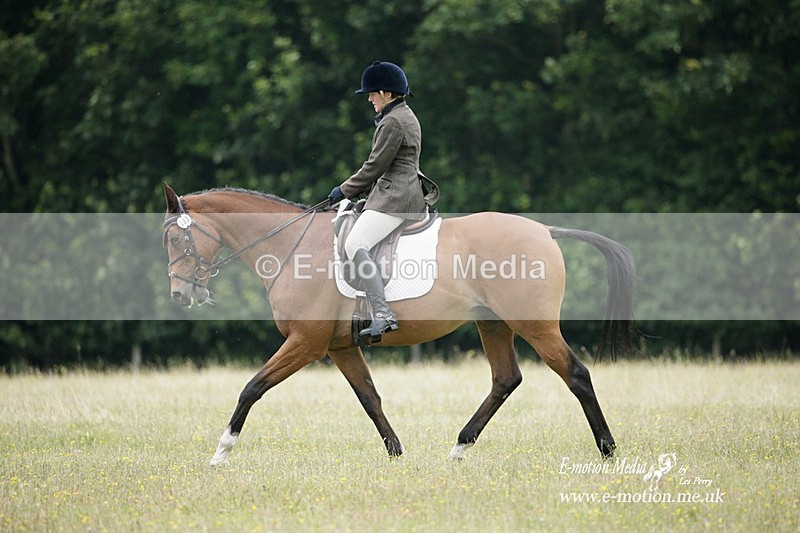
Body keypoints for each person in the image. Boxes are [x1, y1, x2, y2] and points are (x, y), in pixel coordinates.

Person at [328, 61, 427, 339]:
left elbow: (374, 167)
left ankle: (383, 313)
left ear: (386, 93)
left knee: (355, 243)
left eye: (372, 94)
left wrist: (344, 190)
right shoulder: (404, 114)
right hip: (396, 191)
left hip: (396, 197)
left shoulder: (393, 121)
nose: (369, 99)